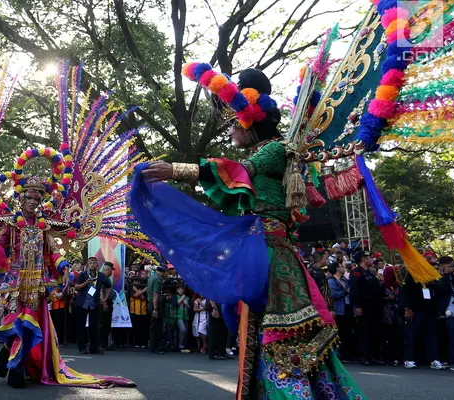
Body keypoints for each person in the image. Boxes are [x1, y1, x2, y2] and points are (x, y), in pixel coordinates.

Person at [131, 67, 364, 398]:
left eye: (232, 123)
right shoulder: (272, 150)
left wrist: (177, 170)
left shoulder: (274, 150)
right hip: (266, 253)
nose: (229, 131)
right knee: (264, 334)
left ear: (249, 120)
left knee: (281, 337)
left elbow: (238, 172)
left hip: (271, 257)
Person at [0, 179, 133, 389]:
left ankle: (15, 365)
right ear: (21, 200)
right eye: (28, 198)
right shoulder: (12, 224)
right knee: (16, 322)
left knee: (30, 326)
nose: (32, 202)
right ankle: (10, 358)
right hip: (16, 283)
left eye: (36, 199)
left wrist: (65, 269)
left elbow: (54, 252)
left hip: (37, 284)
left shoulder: (44, 227)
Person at [399, 264, 444, 370]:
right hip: (414, 310)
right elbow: (404, 293)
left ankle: (434, 359)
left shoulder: (429, 278)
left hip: (429, 310)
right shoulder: (408, 277)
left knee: (431, 336)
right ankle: (409, 359)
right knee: (411, 335)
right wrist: (407, 308)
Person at [349, 250, 383, 366]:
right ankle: (363, 355)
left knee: (374, 330)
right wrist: (358, 306)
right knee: (364, 331)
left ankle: (373, 355)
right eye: (369, 257)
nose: (372, 259)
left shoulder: (369, 273)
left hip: (374, 306)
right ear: (363, 259)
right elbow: (355, 291)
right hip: (364, 306)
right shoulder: (357, 273)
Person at [73, 257, 111, 355]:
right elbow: (76, 287)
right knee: (80, 325)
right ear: (87, 265)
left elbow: (109, 286)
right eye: (91, 263)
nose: (93, 264)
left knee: (94, 326)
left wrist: (105, 298)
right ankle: (82, 347)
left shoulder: (101, 276)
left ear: (97, 265)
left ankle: (94, 348)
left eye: (94, 263)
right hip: (82, 303)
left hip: (95, 304)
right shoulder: (83, 275)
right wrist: (85, 284)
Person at [328, 264, 354, 362]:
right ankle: (337, 353)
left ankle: (346, 354)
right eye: (340, 266)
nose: (343, 267)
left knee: (347, 331)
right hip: (339, 308)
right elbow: (333, 294)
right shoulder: (331, 281)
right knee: (340, 331)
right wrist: (345, 292)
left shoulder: (345, 280)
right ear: (337, 268)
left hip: (347, 307)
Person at [381, 265, 403, 366]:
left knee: (397, 336)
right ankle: (389, 357)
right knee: (389, 336)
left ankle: (398, 357)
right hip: (387, 313)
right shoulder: (382, 285)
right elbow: (378, 298)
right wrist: (387, 298)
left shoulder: (398, 285)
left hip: (397, 313)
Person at [147, 264, 166, 355]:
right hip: (155, 304)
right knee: (157, 326)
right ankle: (155, 346)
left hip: (150, 302)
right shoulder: (158, 279)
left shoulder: (152, 277)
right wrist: (155, 308)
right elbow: (156, 294)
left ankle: (153, 346)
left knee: (153, 325)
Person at [98, 261, 116, 351]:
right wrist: (104, 302)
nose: (112, 272)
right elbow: (100, 290)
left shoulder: (105, 277)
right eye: (111, 270)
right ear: (109, 269)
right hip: (105, 302)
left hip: (108, 301)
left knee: (106, 323)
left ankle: (104, 343)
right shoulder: (102, 277)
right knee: (103, 323)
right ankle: (102, 343)